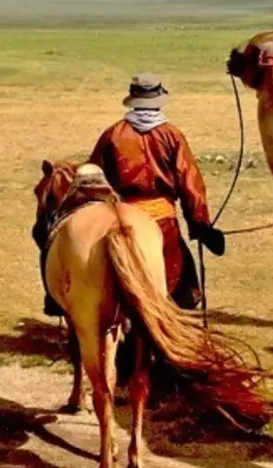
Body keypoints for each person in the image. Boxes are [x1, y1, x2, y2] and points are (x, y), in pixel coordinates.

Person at [42, 72, 225, 318]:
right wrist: (200, 224)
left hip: (121, 213)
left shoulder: (113, 134)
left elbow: (94, 177)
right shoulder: (172, 135)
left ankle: (59, 299)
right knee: (182, 285)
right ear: (159, 100)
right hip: (163, 223)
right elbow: (190, 182)